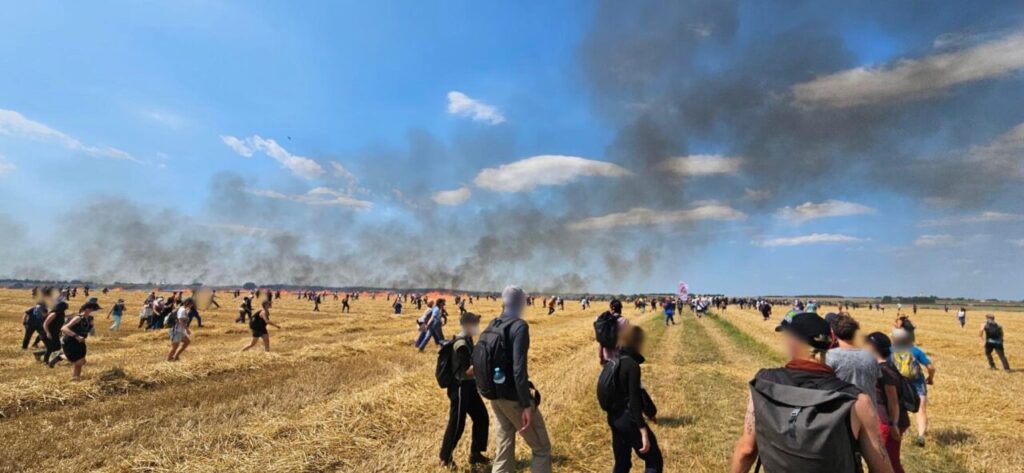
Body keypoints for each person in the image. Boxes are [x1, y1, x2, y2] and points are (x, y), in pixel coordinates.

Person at [729, 312, 893, 473]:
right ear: (830, 344)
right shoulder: (856, 401)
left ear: (793, 343)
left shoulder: (763, 383)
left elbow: (746, 451)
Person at [488, 286, 552, 473]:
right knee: (541, 448)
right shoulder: (519, 326)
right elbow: (519, 369)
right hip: (512, 397)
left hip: (494, 396)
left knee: (504, 446)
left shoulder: (494, 323)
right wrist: (525, 403)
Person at [606, 326, 663, 473]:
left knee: (622, 463)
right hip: (628, 418)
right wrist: (643, 429)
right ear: (636, 342)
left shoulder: (614, 361)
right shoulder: (631, 365)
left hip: (614, 418)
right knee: (654, 458)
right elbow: (636, 397)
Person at [439, 312, 490, 469]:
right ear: (468, 325)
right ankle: (445, 458)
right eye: (475, 325)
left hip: (469, 386)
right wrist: (484, 364)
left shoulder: (467, 339)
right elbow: (467, 370)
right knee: (457, 423)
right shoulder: (461, 343)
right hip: (459, 387)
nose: (477, 328)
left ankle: (475, 453)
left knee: (482, 417)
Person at [865, 332, 909, 473]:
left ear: (873, 347)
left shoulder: (884, 370)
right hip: (886, 421)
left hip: (889, 423)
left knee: (889, 461)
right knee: (884, 460)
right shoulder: (883, 367)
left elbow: (893, 401)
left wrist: (894, 425)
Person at [890, 329, 935, 447]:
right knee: (921, 410)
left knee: (899, 407)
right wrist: (930, 378)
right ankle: (921, 435)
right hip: (917, 382)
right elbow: (930, 367)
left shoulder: (890, 351)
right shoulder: (915, 351)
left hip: (899, 383)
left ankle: (901, 431)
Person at [826, 313, 880, 404]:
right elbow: (876, 381)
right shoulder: (871, 354)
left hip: (844, 411)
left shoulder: (830, 356)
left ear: (833, 333)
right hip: (870, 410)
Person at [60, 300, 100, 381]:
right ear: (88, 309)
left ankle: (75, 378)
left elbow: (87, 329)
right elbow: (64, 328)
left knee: (81, 362)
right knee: (79, 361)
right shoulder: (78, 318)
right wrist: (77, 336)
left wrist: (91, 326)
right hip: (71, 341)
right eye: (95, 310)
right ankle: (59, 356)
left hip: (80, 341)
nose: (96, 312)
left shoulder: (90, 319)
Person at [35, 300, 68, 366]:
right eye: (65, 308)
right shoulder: (54, 314)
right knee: (49, 348)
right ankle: (45, 362)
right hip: (46, 333)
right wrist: (48, 333)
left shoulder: (61, 314)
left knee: (57, 347)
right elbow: (45, 324)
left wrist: (60, 332)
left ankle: (38, 354)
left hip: (55, 333)